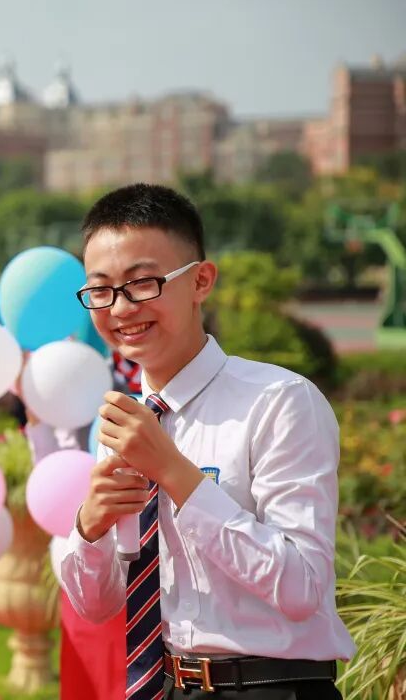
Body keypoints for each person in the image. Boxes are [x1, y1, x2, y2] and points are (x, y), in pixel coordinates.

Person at [58, 183, 354, 699]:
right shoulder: (126, 421)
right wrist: (90, 526)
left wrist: (176, 474)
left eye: (142, 283)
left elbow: (303, 587)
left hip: (272, 687)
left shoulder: (279, 402)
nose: (121, 308)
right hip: (167, 683)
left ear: (200, 280)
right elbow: (97, 606)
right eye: (101, 290)